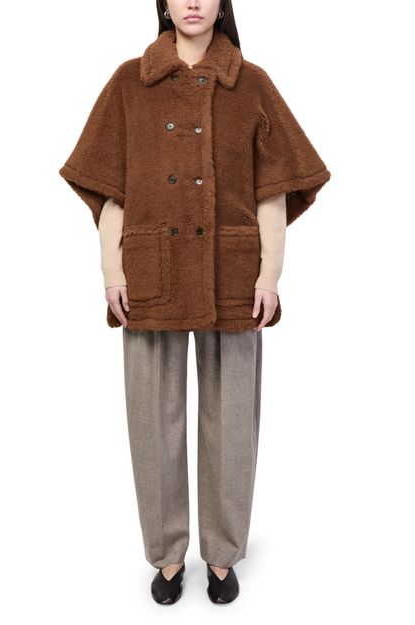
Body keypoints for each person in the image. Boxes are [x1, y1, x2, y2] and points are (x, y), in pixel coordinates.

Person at [58, 0, 331, 605]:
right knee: (151, 420)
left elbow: (273, 192)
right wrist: (111, 270)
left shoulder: (251, 83)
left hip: (233, 272)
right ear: (161, 3)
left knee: (231, 420)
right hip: (149, 268)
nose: (192, 2)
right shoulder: (129, 82)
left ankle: (223, 554)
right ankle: (168, 555)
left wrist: (270, 275)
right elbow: (111, 191)